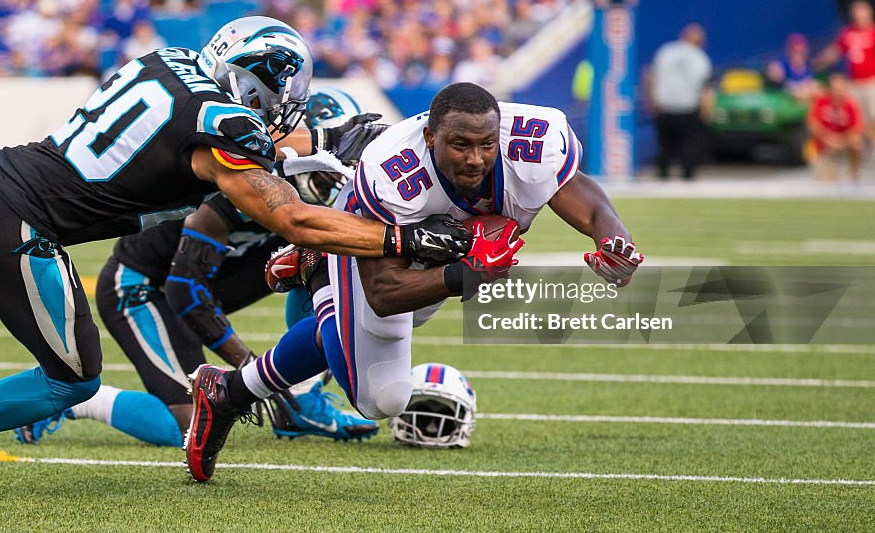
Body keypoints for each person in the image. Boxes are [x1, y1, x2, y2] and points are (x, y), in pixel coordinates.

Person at [0, 16, 471, 495]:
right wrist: (403, 239)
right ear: (253, 76)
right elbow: (290, 218)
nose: (284, 105)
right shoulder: (223, 125)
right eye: (282, 89)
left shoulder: (168, 63)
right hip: (19, 218)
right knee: (73, 379)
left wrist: (292, 156)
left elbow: (191, 147)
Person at [184, 82, 645, 482]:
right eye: (460, 145)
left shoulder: (534, 140)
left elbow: (588, 202)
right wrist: (467, 275)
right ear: (430, 138)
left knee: (365, 326)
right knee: (380, 398)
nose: (476, 159)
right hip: (378, 237)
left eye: (486, 145)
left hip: (442, 246)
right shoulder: (394, 171)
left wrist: (615, 241)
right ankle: (325, 261)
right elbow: (386, 295)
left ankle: (225, 392)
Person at [14, 90, 379, 447]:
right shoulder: (241, 177)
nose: (336, 179)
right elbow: (184, 289)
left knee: (324, 262)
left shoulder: (298, 197)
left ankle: (305, 398)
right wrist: (253, 372)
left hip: (203, 285)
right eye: (327, 166)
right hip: (144, 288)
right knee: (186, 426)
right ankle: (80, 403)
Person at [647, 23, 714, 180]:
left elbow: (651, 77)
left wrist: (652, 101)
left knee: (665, 148)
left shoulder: (666, 51)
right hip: (688, 109)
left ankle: (662, 176)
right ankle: (687, 178)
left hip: (665, 107)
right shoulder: (701, 58)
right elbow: (706, 89)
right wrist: (706, 110)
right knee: (689, 148)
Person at [815, 0, 875, 141]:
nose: (859, 17)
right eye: (856, 13)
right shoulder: (848, 33)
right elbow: (835, 51)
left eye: (862, 13)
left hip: (871, 83)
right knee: (858, 120)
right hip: (854, 84)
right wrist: (817, 63)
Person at [807, 73, 865, 182]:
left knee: (857, 143)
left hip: (843, 142)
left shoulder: (851, 104)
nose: (837, 91)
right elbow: (813, 124)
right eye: (834, 88)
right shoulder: (821, 101)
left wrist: (840, 141)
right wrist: (827, 138)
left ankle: (853, 176)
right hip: (824, 145)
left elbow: (856, 128)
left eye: (840, 88)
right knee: (825, 183)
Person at [765, 33, 817, 102]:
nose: (798, 55)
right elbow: (774, 70)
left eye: (801, 52)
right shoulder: (783, 64)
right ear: (789, 52)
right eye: (795, 52)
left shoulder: (808, 69)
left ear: (806, 52)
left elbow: (811, 86)